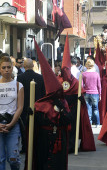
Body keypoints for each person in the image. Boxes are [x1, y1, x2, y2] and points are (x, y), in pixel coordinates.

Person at [28, 40, 71, 170]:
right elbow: (34, 126)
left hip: (59, 138)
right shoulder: (39, 105)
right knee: (43, 162)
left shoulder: (63, 102)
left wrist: (61, 108)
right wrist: (30, 115)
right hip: (43, 139)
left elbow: (68, 120)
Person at [0, 56, 24, 170]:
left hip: (13, 124)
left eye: (9, 67)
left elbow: (20, 107)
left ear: (12, 68)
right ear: (0, 69)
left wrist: (12, 123)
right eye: (4, 67)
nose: (7, 70)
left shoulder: (18, 85)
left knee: (13, 158)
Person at [17, 58, 46, 153]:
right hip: (37, 106)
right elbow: (43, 93)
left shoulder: (20, 78)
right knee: (37, 127)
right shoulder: (40, 77)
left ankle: (25, 146)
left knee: (25, 127)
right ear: (33, 66)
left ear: (24, 66)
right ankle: (36, 146)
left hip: (24, 106)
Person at [82, 59, 101, 125]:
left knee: (88, 109)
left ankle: (89, 124)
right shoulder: (96, 74)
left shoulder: (83, 74)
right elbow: (99, 85)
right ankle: (97, 124)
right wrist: (100, 94)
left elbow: (82, 86)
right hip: (95, 93)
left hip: (86, 93)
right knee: (95, 109)